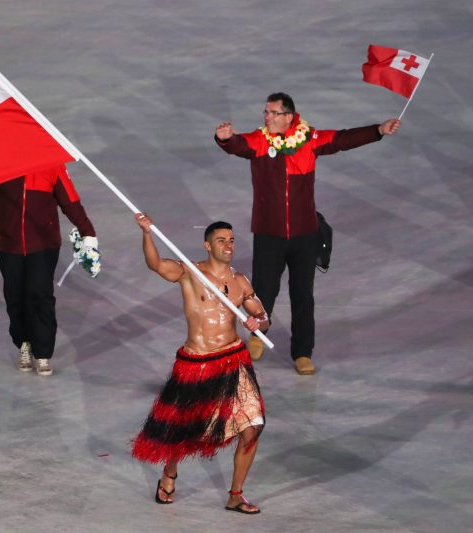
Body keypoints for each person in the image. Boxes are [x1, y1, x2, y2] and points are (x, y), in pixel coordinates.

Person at [215, 92, 401, 375]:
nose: (267, 117)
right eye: (266, 112)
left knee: (303, 295)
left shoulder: (309, 140)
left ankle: (302, 353)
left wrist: (378, 130)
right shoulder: (260, 141)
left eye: (273, 113)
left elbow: (342, 139)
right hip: (268, 233)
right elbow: (239, 145)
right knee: (263, 290)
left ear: (289, 117)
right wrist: (226, 139)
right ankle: (257, 335)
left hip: (304, 234)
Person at [131, 215, 269, 515]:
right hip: (196, 364)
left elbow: (262, 317)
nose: (228, 245)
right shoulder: (190, 272)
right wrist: (147, 234)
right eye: (221, 240)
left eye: (231, 240)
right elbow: (156, 265)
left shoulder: (240, 281)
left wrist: (257, 323)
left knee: (253, 427)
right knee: (184, 429)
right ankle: (169, 473)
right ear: (207, 245)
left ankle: (236, 495)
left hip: (233, 360)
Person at [0, 165, 97, 375]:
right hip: (8, 243)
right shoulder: (0, 161)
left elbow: (70, 200)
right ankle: (23, 343)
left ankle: (42, 353)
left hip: (43, 244)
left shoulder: (52, 163)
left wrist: (87, 231)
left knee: (40, 295)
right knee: (14, 295)